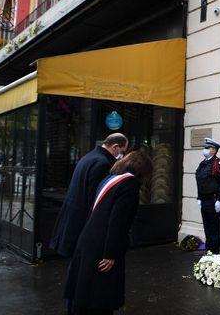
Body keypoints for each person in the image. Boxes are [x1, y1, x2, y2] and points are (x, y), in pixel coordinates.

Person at [64, 151, 153, 315]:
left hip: (88, 239)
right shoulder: (129, 184)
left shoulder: (109, 179)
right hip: (103, 245)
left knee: (84, 292)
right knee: (99, 298)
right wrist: (110, 253)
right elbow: (118, 221)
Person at [50, 133, 128, 258]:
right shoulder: (103, 164)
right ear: (115, 147)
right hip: (82, 224)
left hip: (72, 220)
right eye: (122, 151)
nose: (122, 156)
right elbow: (96, 200)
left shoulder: (89, 156)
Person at [196, 137, 220, 254]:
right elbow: (200, 182)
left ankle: (214, 253)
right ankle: (208, 252)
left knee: (214, 227)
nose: (204, 150)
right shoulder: (202, 164)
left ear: (214, 150)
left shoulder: (218, 164)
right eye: (204, 147)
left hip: (213, 200)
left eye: (207, 148)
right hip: (204, 200)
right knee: (207, 227)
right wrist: (199, 197)